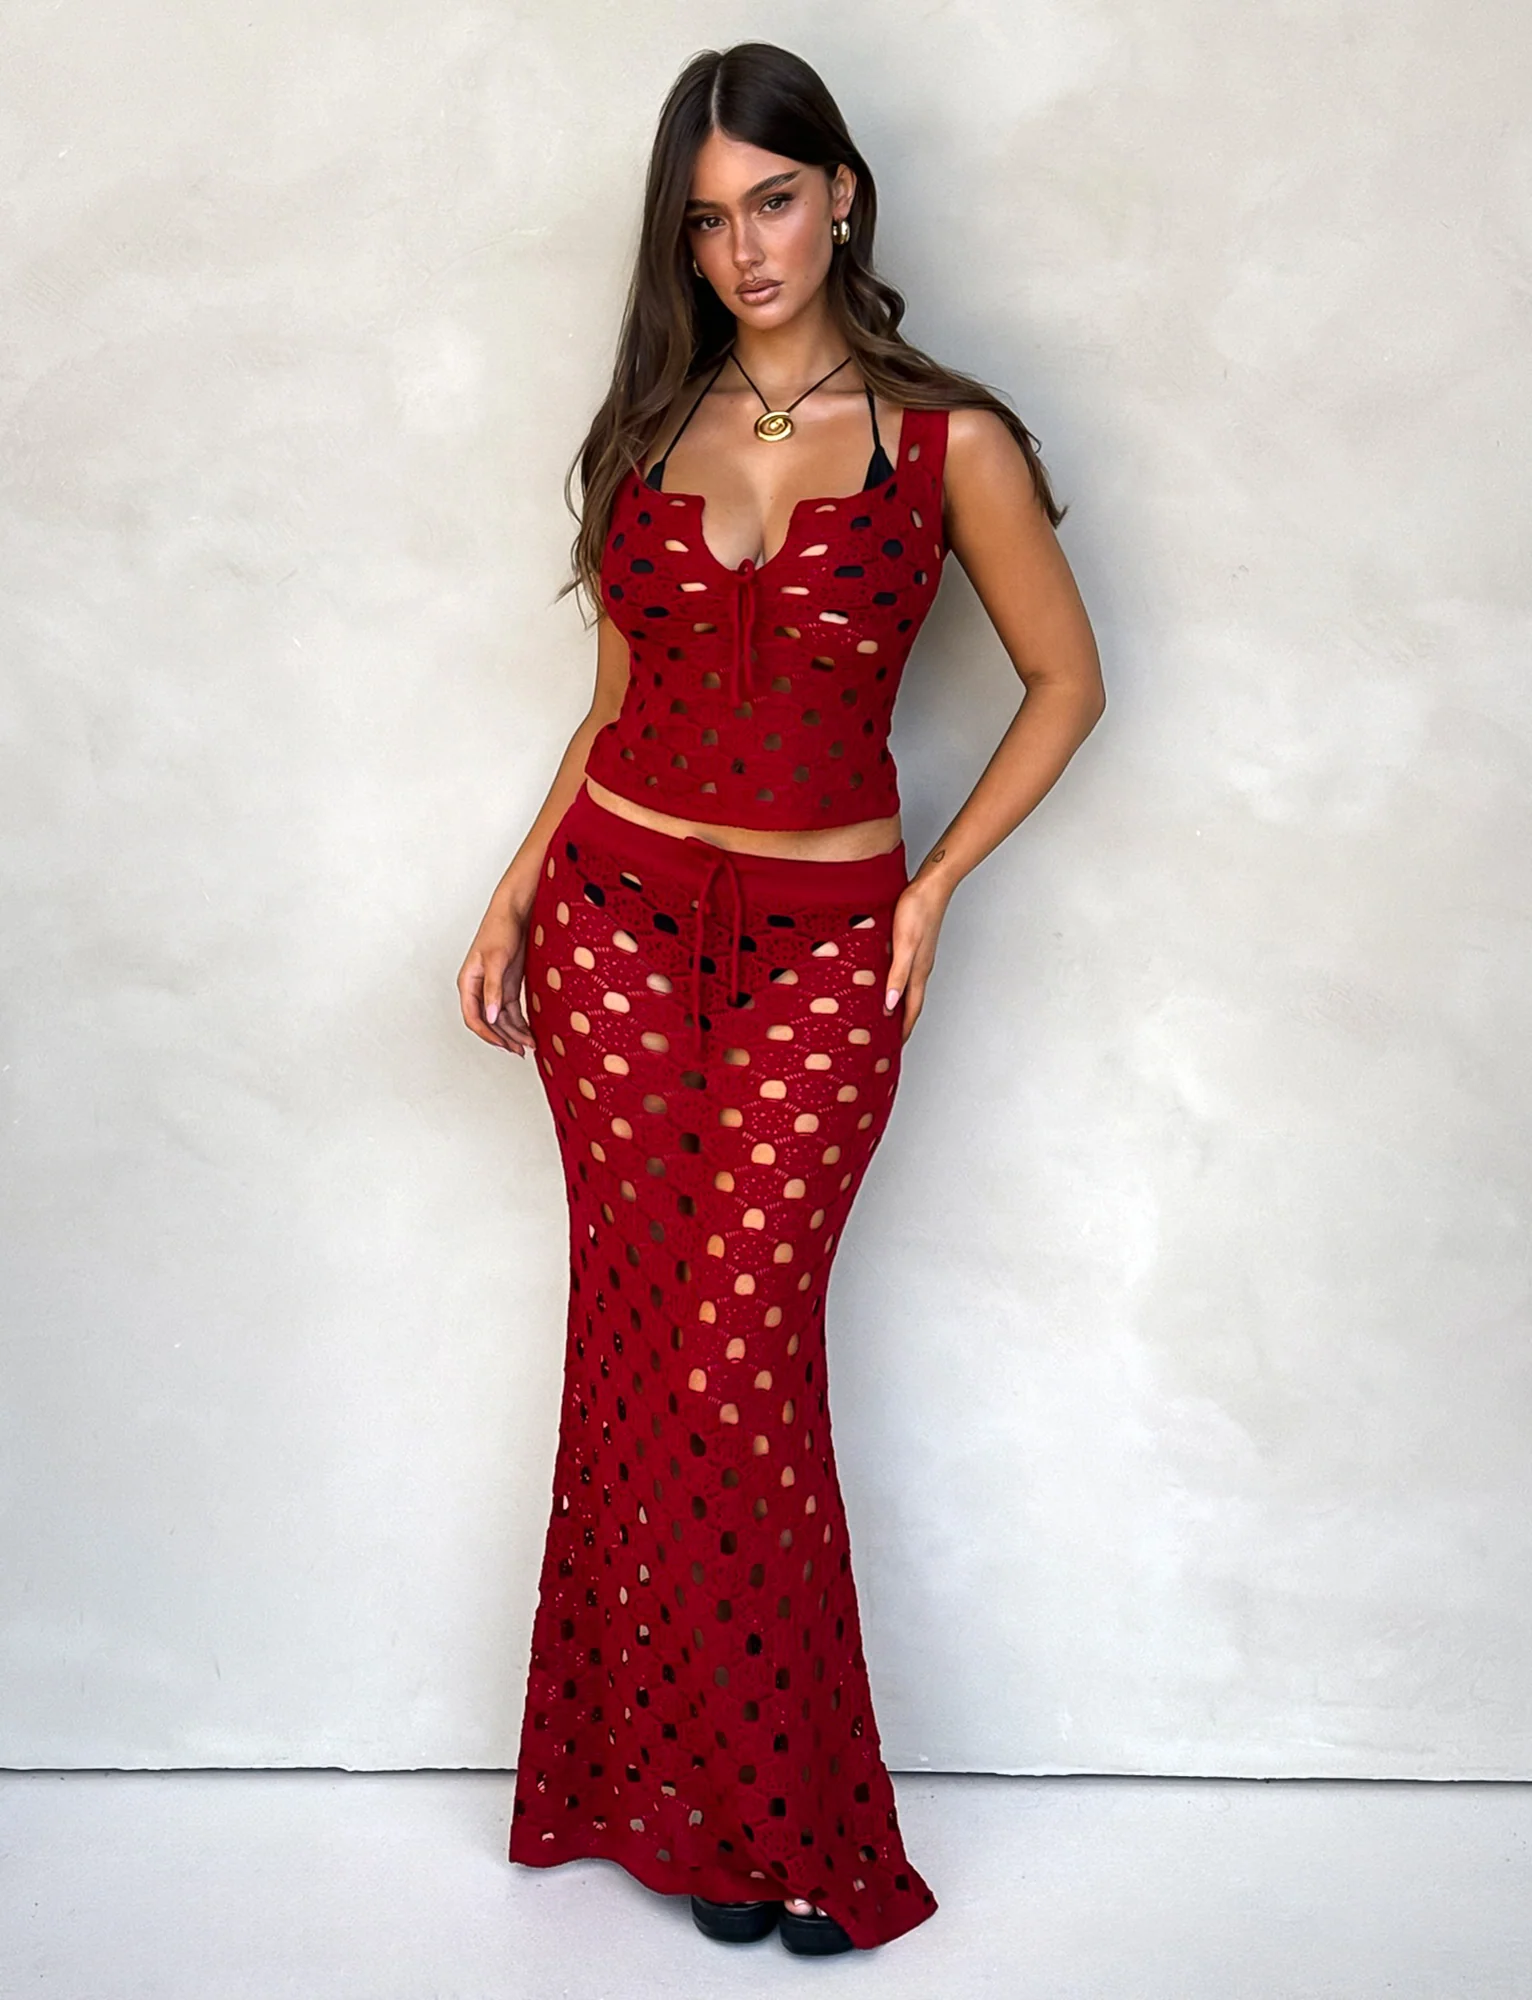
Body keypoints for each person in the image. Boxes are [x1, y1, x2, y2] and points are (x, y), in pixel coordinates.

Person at [458, 40, 1104, 1957]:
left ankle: (792, 1820)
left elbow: (1068, 681)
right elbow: (617, 705)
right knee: (640, 1360)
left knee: (737, 1368)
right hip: (613, 933)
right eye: (709, 218)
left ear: (843, 196)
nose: (747, 248)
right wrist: (515, 889)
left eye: (775, 200)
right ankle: (676, 1804)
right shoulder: (651, 427)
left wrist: (932, 888)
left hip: (822, 953)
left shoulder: (947, 443)